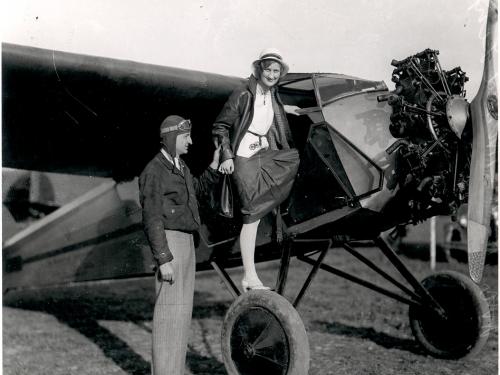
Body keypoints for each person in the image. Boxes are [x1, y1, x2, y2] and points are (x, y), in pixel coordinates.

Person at [213, 48, 301, 291]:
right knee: (251, 217)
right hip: (243, 157)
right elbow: (221, 126)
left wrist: (291, 111)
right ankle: (249, 276)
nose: (272, 74)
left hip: (263, 153)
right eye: (268, 69)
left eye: (276, 71)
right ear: (259, 69)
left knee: (292, 160)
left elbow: (272, 114)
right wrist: (226, 155)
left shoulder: (271, 93)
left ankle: (271, 220)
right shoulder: (243, 92)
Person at [139, 115, 220, 375]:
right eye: (186, 137)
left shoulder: (180, 166)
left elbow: (196, 190)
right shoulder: (154, 171)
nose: (191, 142)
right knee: (168, 318)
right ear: (173, 137)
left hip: (186, 243)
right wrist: (163, 258)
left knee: (182, 316)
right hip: (171, 245)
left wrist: (215, 166)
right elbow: (151, 217)